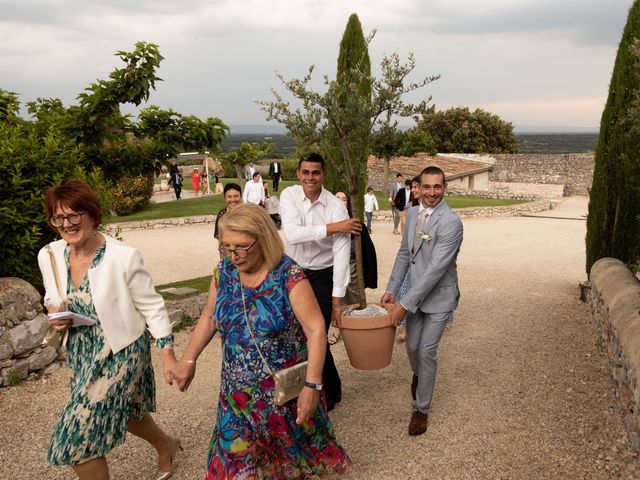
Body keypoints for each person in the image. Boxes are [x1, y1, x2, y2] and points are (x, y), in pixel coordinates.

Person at [171, 204, 352, 479]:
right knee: (237, 466)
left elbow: (315, 329)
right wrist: (188, 358)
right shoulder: (224, 272)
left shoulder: (288, 275)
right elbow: (209, 316)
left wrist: (312, 385)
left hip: (283, 396)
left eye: (242, 247)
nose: (234, 255)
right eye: (226, 247)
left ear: (263, 238)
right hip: (237, 397)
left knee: (287, 467)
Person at [37, 179, 180, 480]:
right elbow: (52, 294)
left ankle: (163, 446)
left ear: (91, 214)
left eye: (73, 215)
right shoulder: (49, 254)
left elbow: (152, 306)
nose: (66, 223)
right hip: (80, 350)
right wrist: (53, 310)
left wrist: (167, 353)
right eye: (58, 217)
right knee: (127, 414)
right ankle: (166, 445)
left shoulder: (123, 256)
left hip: (122, 350)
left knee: (78, 440)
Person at [382, 166, 463, 437]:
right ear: (418, 187)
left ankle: (421, 409)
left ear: (445, 188)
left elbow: (436, 269)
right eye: (426, 187)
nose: (431, 193)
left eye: (437, 187)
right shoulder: (414, 213)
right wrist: (392, 289)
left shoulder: (451, 222)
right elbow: (405, 254)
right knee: (413, 348)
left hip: (439, 297)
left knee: (427, 350)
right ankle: (420, 375)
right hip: (413, 295)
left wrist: (403, 304)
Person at [279, 153, 362, 411]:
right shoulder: (289, 196)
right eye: (305, 172)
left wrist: (338, 302)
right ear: (298, 174)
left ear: (323, 175)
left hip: (324, 276)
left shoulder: (336, 207)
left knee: (316, 333)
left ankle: (328, 391)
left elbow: (340, 257)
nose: (310, 178)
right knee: (293, 333)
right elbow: (292, 234)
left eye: (315, 173)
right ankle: (308, 386)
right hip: (292, 274)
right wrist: (333, 228)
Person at [332, 191, 378, 345]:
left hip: (351, 267)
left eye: (344, 199)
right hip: (330, 268)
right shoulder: (325, 222)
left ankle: (358, 325)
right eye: (337, 199)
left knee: (353, 295)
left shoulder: (357, 224)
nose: (340, 202)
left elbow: (367, 251)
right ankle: (337, 327)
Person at [396, 175, 423, 343]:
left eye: (415, 187)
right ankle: (405, 328)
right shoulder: (412, 208)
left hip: (423, 264)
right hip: (411, 262)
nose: (412, 190)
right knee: (404, 292)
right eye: (412, 187)